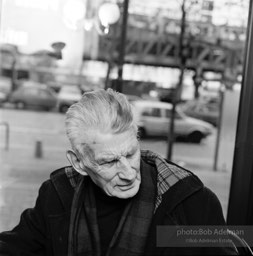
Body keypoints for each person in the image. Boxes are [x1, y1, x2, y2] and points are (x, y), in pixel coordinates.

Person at [0, 89, 236, 255]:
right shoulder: (58, 195)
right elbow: (18, 247)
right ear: (79, 163)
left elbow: (234, 244)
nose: (129, 173)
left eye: (131, 153)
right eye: (109, 161)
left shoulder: (192, 201)